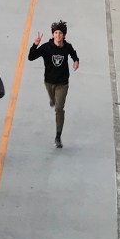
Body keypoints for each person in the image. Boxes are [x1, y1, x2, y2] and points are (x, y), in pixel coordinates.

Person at [28, 19, 80, 148]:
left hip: (63, 83)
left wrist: (76, 61)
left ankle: (58, 136)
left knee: (59, 108)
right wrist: (35, 44)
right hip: (49, 82)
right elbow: (31, 57)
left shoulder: (67, 46)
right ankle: (52, 99)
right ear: (52, 34)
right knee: (53, 100)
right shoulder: (46, 47)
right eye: (56, 32)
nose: (58, 35)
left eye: (60, 33)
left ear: (64, 35)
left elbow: (73, 54)